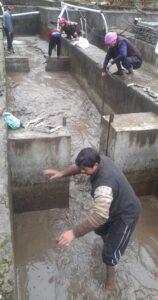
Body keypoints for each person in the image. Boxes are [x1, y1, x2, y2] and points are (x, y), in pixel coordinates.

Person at [43, 147, 141, 290]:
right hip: (113, 206)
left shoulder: (104, 187)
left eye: (85, 170)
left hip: (126, 214)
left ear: (95, 165)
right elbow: (79, 167)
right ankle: (108, 242)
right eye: (81, 168)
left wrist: (73, 233)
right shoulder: (99, 159)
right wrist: (61, 173)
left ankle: (110, 284)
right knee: (100, 230)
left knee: (110, 254)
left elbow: (100, 216)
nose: (82, 172)